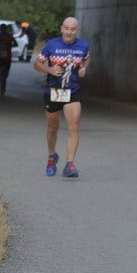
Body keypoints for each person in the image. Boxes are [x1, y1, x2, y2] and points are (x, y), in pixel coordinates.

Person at [33, 16, 90, 178]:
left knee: (74, 127)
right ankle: (52, 156)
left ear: (77, 31)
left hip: (72, 91)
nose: (69, 32)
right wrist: (50, 70)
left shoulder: (83, 46)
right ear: (61, 29)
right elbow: (37, 64)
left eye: (73, 29)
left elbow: (86, 59)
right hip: (54, 91)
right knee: (53, 128)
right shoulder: (52, 45)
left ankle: (69, 164)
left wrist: (83, 69)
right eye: (66, 28)